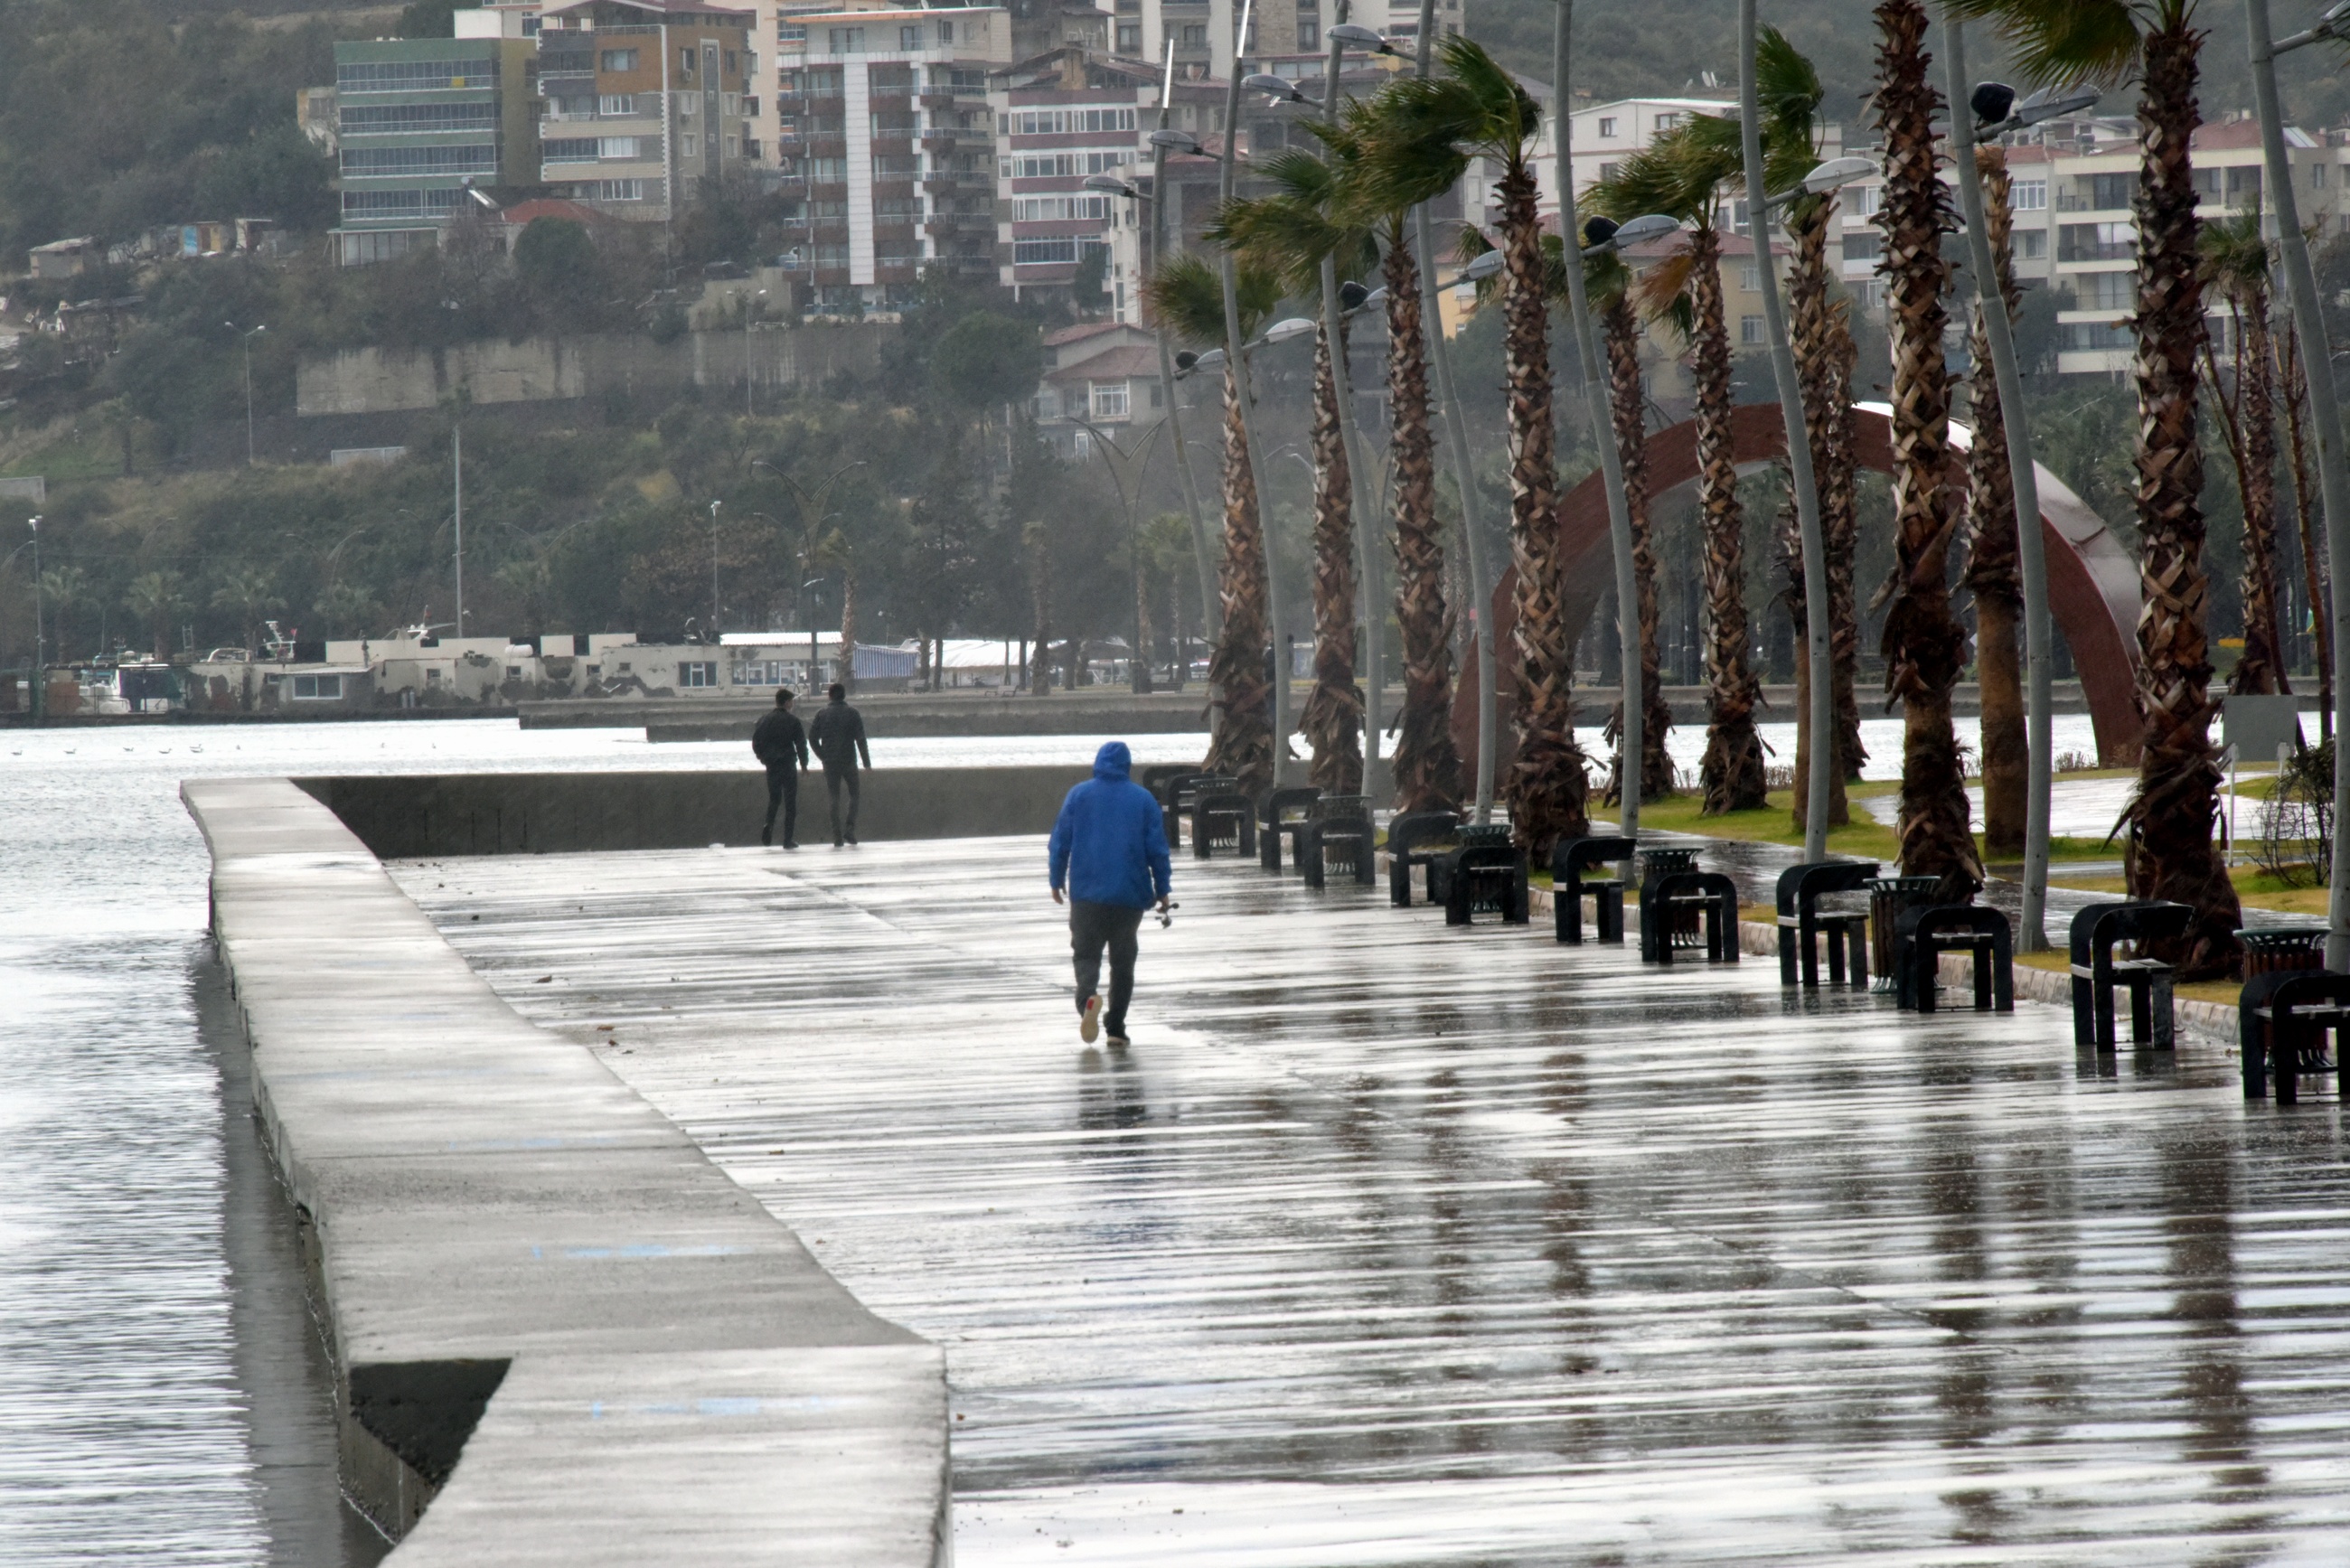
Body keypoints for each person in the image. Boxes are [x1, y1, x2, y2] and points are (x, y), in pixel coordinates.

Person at [1048, 741, 1171, 1048]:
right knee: (1123, 961)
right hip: (1129, 896)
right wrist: (1163, 890)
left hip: (1087, 894)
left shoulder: (1079, 795)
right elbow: (1158, 850)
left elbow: (1060, 842)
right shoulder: (1143, 800)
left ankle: (1088, 1000)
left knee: (1086, 955)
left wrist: (1055, 879)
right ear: (1127, 766)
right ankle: (1116, 1027)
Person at [806, 681, 871, 847]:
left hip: (830, 763)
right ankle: (849, 829)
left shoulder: (822, 714)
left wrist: (823, 756)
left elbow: (812, 738)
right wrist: (866, 763)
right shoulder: (853, 713)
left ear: (829, 695)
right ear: (844, 695)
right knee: (854, 795)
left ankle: (836, 836)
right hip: (849, 761)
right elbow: (861, 740)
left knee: (833, 797)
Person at [751, 688, 809, 848]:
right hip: (788, 764)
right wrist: (804, 764)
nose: (793, 703)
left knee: (775, 798)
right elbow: (801, 744)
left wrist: (763, 758)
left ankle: (768, 825)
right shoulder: (793, 721)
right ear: (788, 703)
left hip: (772, 765)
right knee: (790, 803)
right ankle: (787, 839)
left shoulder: (764, 720)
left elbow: (756, 742)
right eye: (792, 701)